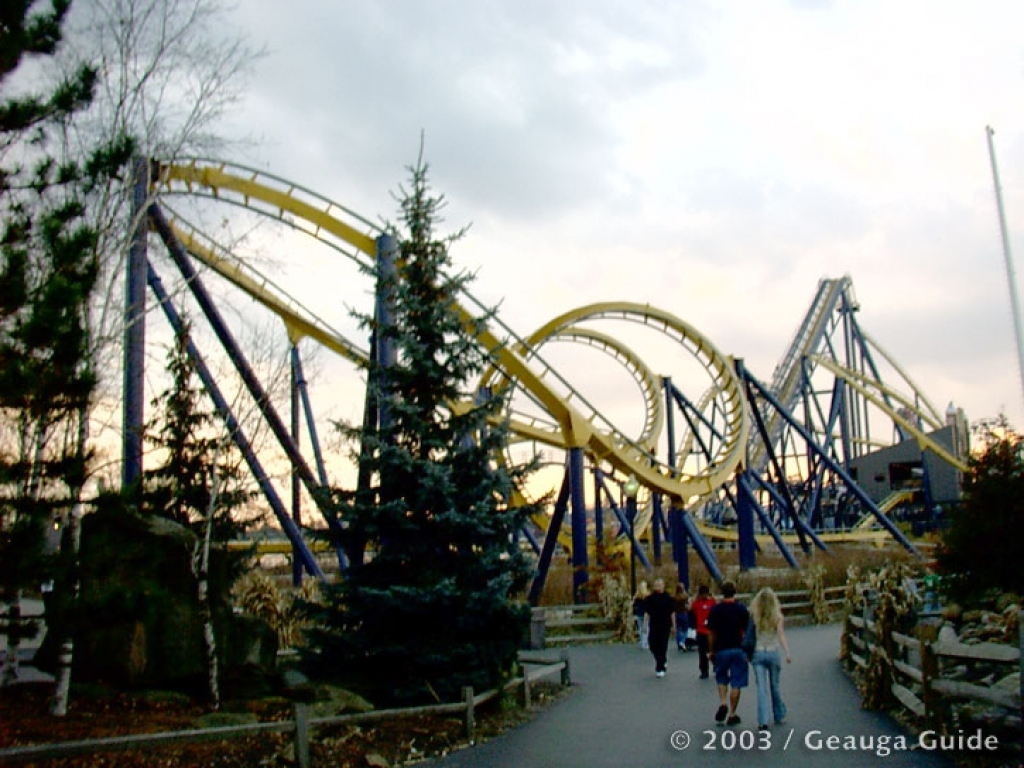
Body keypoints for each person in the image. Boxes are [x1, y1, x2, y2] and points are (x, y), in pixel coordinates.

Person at [748, 587, 791, 731]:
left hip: (758, 652)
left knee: (761, 688)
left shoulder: (755, 616)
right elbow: (781, 635)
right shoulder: (777, 617)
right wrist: (787, 653)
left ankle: (763, 720)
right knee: (775, 685)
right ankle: (778, 714)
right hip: (773, 652)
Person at [706, 580, 749, 727]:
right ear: (735, 591)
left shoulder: (715, 610)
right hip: (738, 648)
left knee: (721, 677)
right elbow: (748, 631)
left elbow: (710, 632)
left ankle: (723, 702)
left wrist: (711, 650)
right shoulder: (741, 609)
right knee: (737, 681)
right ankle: (732, 713)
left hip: (721, 648)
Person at [643, 578, 676, 677]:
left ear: (663, 586)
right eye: (656, 585)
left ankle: (660, 667)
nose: (658, 587)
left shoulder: (668, 598)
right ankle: (662, 659)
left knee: (662, 645)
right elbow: (647, 612)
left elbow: (672, 613)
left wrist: (674, 626)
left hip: (665, 625)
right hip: (654, 625)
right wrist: (644, 624)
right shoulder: (650, 598)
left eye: (660, 585)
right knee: (652, 644)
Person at [691, 584, 716, 679]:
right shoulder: (697, 603)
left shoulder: (712, 602)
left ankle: (715, 665)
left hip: (711, 630)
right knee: (702, 653)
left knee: (713, 651)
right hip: (701, 631)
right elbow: (690, 608)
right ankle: (704, 671)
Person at [632, 581, 650, 649]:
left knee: (640, 628)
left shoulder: (637, 596)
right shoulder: (647, 596)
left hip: (639, 613)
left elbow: (634, 605)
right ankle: (644, 643)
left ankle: (642, 640)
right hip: (645, 613)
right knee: (646, 628)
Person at [673, 583, 690, 651]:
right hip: (683, 613)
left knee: (678, 630)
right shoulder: (685, 597)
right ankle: (682, 641)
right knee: (685, 629)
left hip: (676, 614)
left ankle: (679, 644)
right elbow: (688, 604)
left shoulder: (674, 597)